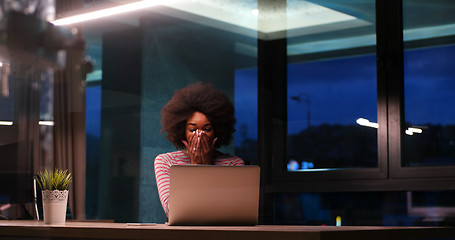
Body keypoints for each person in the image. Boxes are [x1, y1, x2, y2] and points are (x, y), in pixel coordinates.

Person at [154, 82, 245, 216]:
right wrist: (196, 165)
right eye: (193, 129)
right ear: (182, 131)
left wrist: (207, 164)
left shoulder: (234, 164)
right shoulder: (165, 162)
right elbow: (172, 211)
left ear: (216, 131)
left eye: (207, 129)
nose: (200, 134)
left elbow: (232, 211)